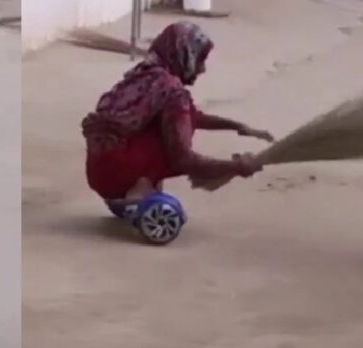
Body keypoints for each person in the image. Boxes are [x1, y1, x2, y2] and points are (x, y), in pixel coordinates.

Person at [81, 21, 272, 212]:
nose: (202, 69)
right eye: (199, 60)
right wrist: (235, 167)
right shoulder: (173, 92)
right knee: (173, 138)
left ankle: (134, 186)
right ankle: (138, 189)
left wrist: (237, 127)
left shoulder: (148, 72)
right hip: (119, 173)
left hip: (99, 170)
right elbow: (183, 160)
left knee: (171, 124)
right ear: (184, 54)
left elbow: (192, 116)